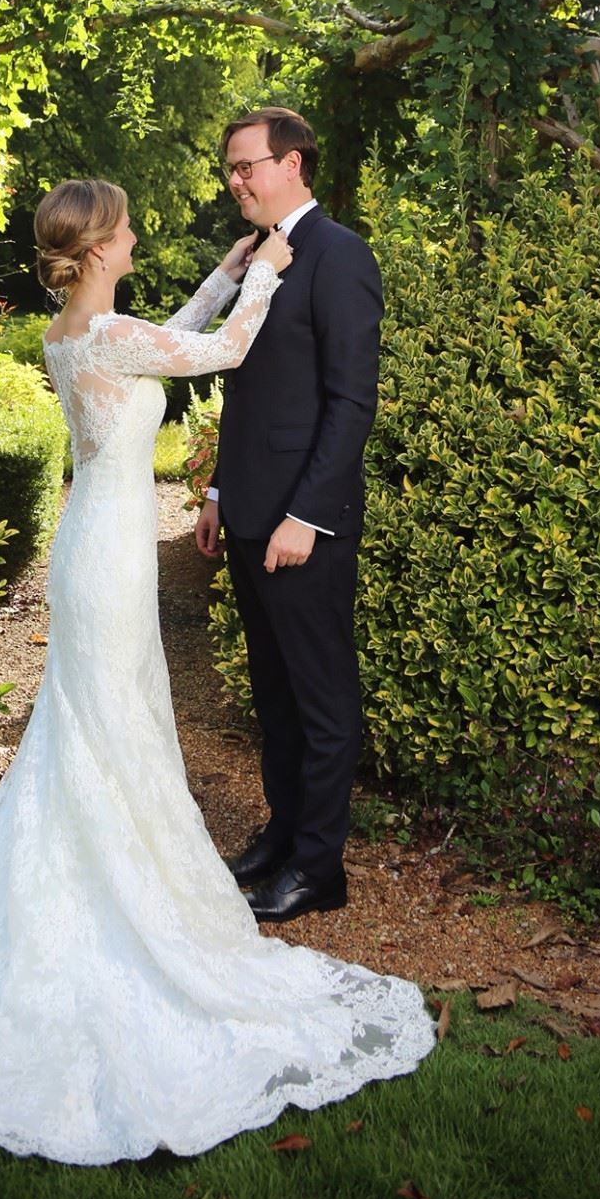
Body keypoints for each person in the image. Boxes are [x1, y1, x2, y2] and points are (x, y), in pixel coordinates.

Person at [0, 178, 433, 1165]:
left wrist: (221, 274)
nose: (139, 228)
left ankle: (102, 870)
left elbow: (169, 330)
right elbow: (222, 351)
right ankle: (117, 898)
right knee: (111, 725)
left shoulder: (75, 331)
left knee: (97, 727)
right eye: (128, 222)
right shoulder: (109, 339)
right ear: (104, 244)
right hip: (106, 561)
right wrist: (269, 275)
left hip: (89, 547)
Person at [196, 107, 382, 924]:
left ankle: (319, 869)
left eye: (248, 166)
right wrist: (217, 494)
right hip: (246, 515)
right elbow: (245, 389)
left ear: (295, 163)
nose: (236, 180)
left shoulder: (341, 257)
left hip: (305, 526)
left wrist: (305, 514)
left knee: (320, 697)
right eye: (231, 168)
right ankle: (283, 834)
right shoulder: (253, 260)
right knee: (273, 696)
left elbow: (350, 403)